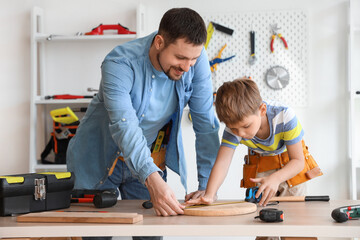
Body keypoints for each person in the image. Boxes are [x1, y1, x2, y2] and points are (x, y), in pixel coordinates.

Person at [66, 6, 219, 223]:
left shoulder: (195, 57)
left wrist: (207, 187)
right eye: (180, 58)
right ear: (159, 43)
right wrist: (151, 178)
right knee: (95, 234)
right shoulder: (119, 63)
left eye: (192, 60)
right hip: (97, 158)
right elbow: (124, 126)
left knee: (152, 231)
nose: (187, 67)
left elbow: (205, 122)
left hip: (145, 158)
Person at [186, 78, 322, 207]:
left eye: (246, 126)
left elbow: (298, 161)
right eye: (233, 128)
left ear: (262, 110)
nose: (240, 134)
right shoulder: (234, 127)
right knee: (263, 217)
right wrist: (210, 194)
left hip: (291, 166)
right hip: (262, 165)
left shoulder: (285, 116)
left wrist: (276, 178)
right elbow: (222, 163)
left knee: (295, 219)